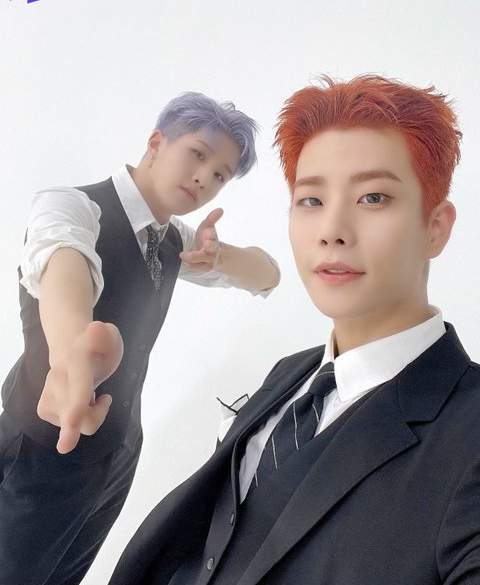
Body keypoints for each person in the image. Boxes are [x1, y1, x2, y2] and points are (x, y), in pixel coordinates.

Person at [109, 75, 480, 585]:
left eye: (373, 197)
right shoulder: (291, 375)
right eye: (311, 200)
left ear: (435, 227)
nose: (332, 231)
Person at [0, 91, 280, 585]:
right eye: (197, 154)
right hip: (44, 447)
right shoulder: (72, 205)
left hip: (117, 457)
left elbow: (268, 276)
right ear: (156, 143)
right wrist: (73, 351)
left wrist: (223, 258)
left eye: (220, 175)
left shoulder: (176, 239)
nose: (205, 178)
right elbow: (63, 259)